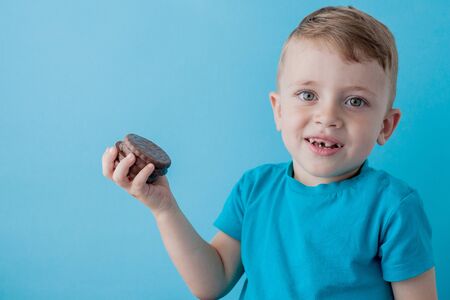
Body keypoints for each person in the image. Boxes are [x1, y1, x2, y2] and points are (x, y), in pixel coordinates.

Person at [102, 5, 437, 299]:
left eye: (355, 101)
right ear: (278, 111)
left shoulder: (394, 208)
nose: (328, 117)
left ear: (385, 126)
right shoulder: (255, 190)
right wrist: (164, 208)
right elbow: (211, 282)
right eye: (308, 95)